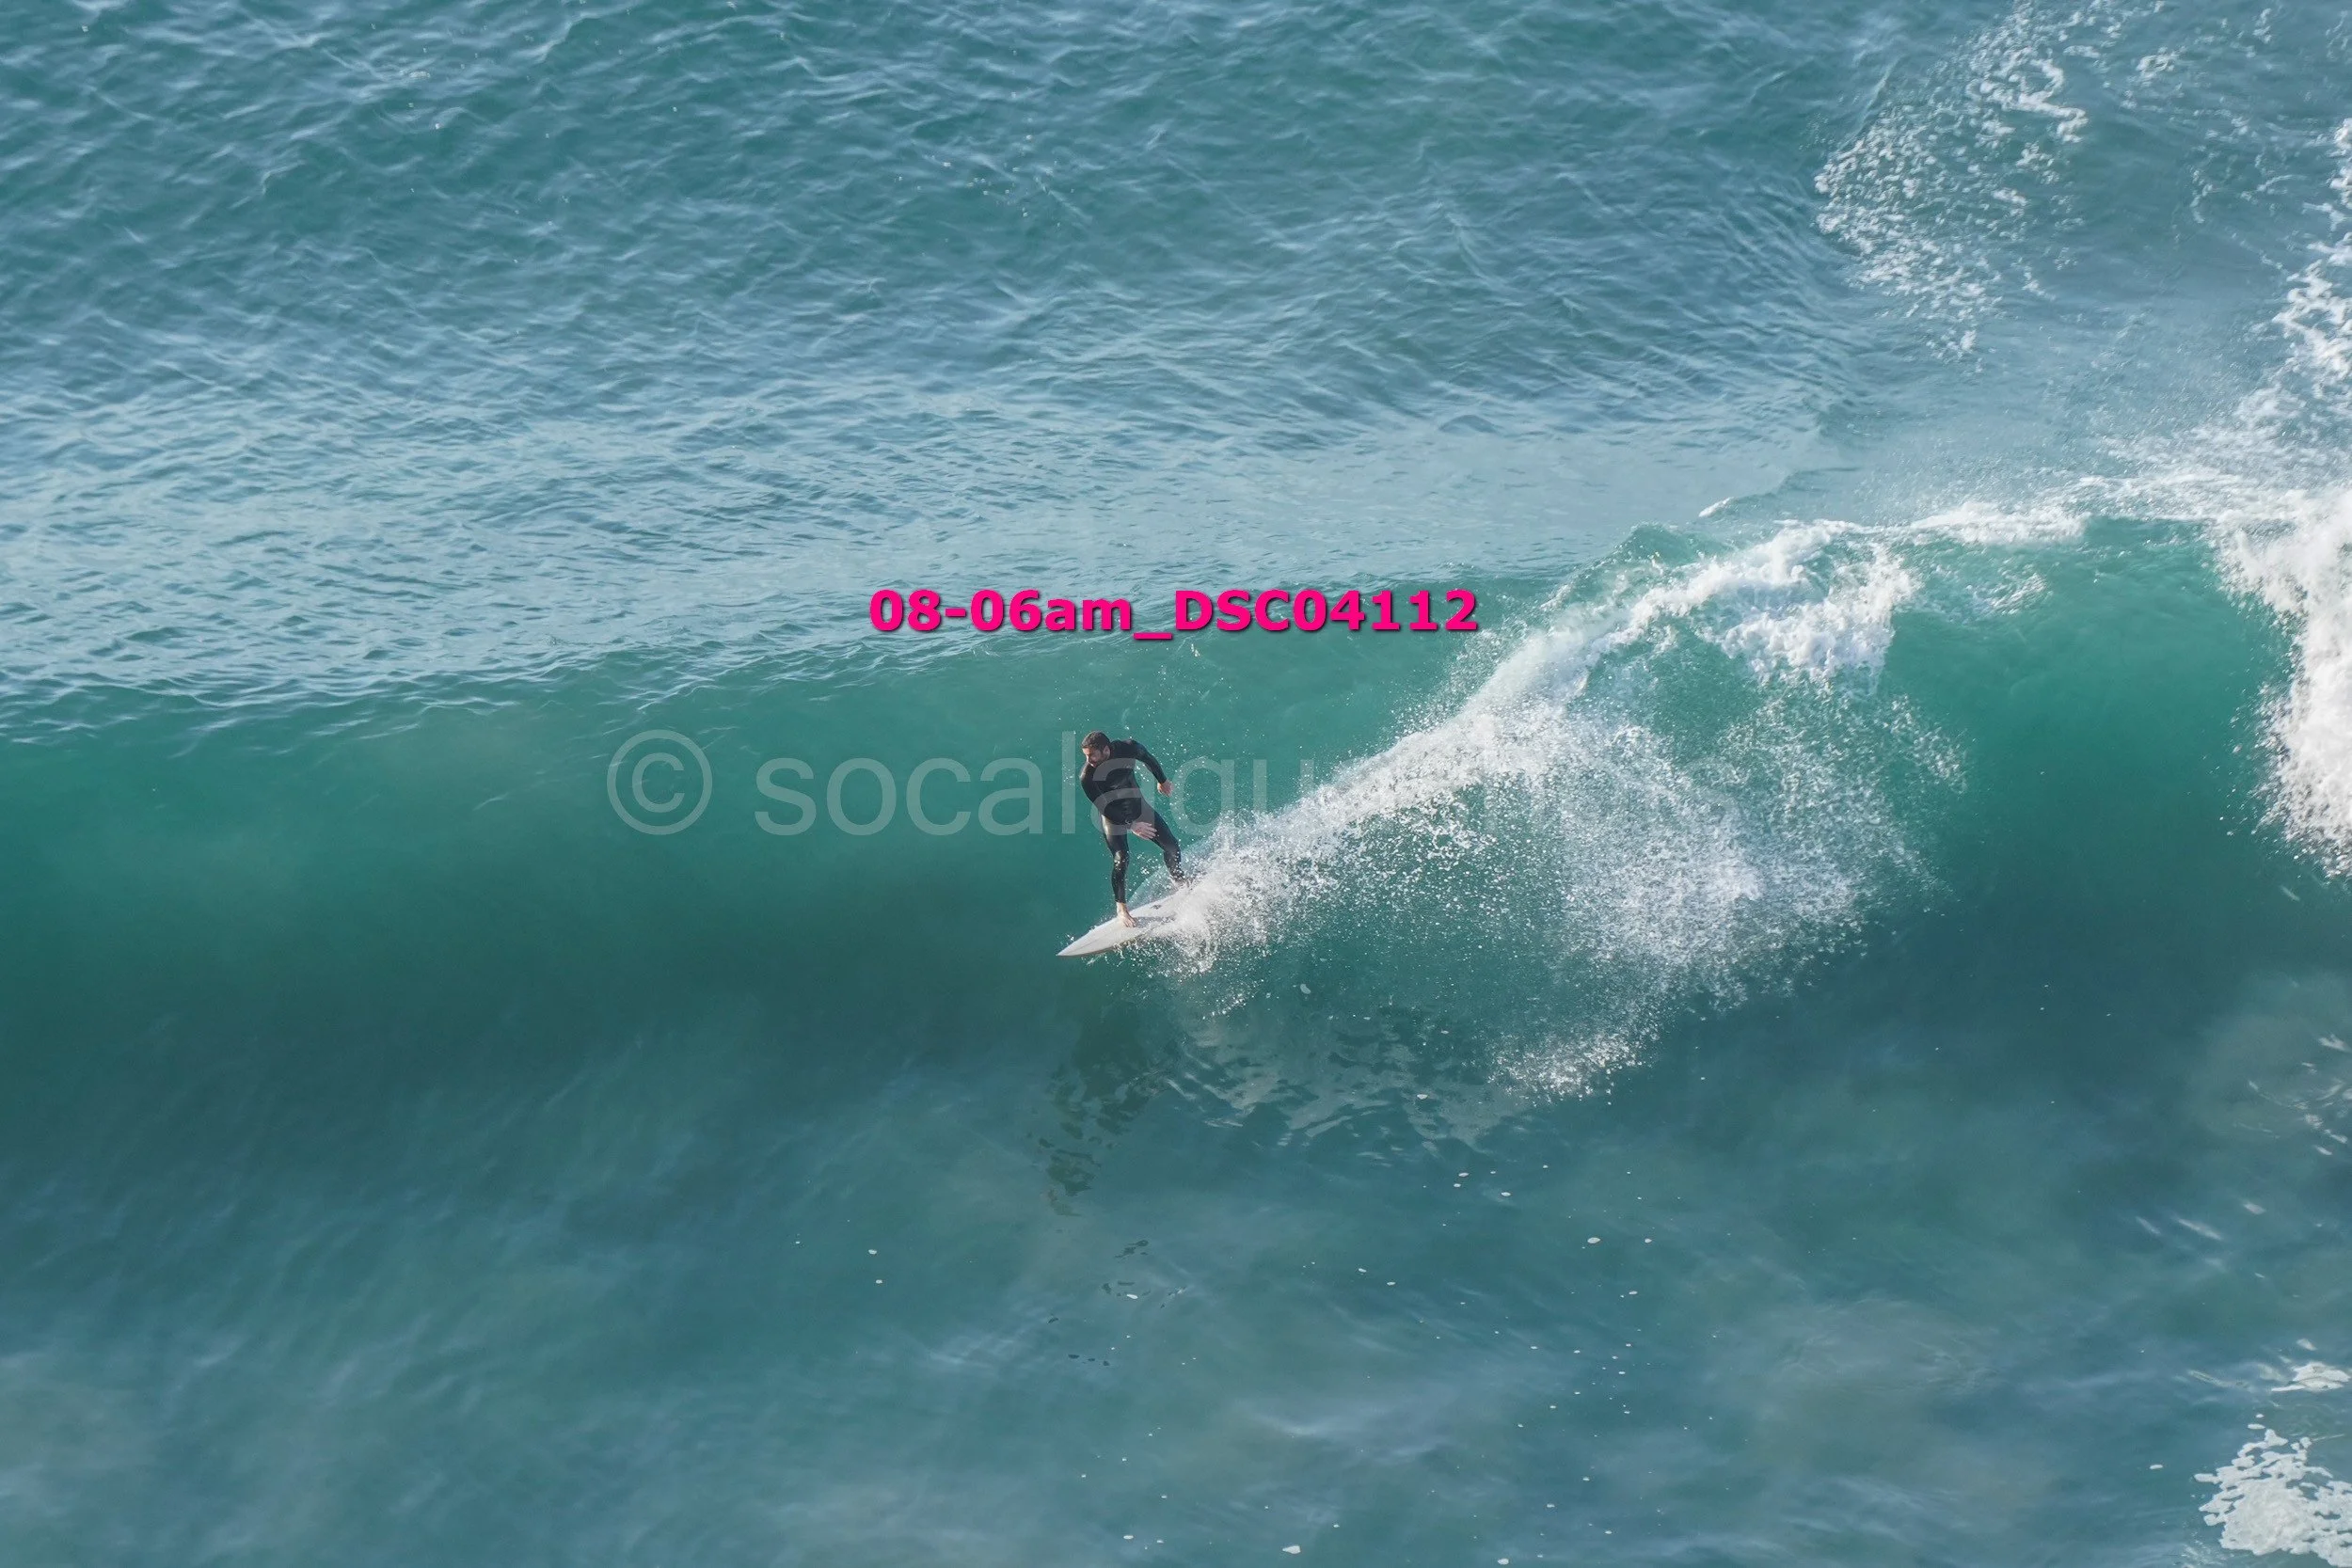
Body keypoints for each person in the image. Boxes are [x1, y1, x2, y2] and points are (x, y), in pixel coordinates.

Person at [1079, 729, 1184, 926]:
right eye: (1086, 756)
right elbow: (1103, 807)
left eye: (1092, 755)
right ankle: (1121, 908)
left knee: (1172, 847)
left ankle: (1179, 882)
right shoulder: (1087, 777)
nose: (1089, 760)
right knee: (1121, 859)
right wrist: (1132, 825)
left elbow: (1148, 758)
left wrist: (1162, 780)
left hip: (1139, 808)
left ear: (1106, 749)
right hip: (1113, 817)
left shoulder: (1128, 748)